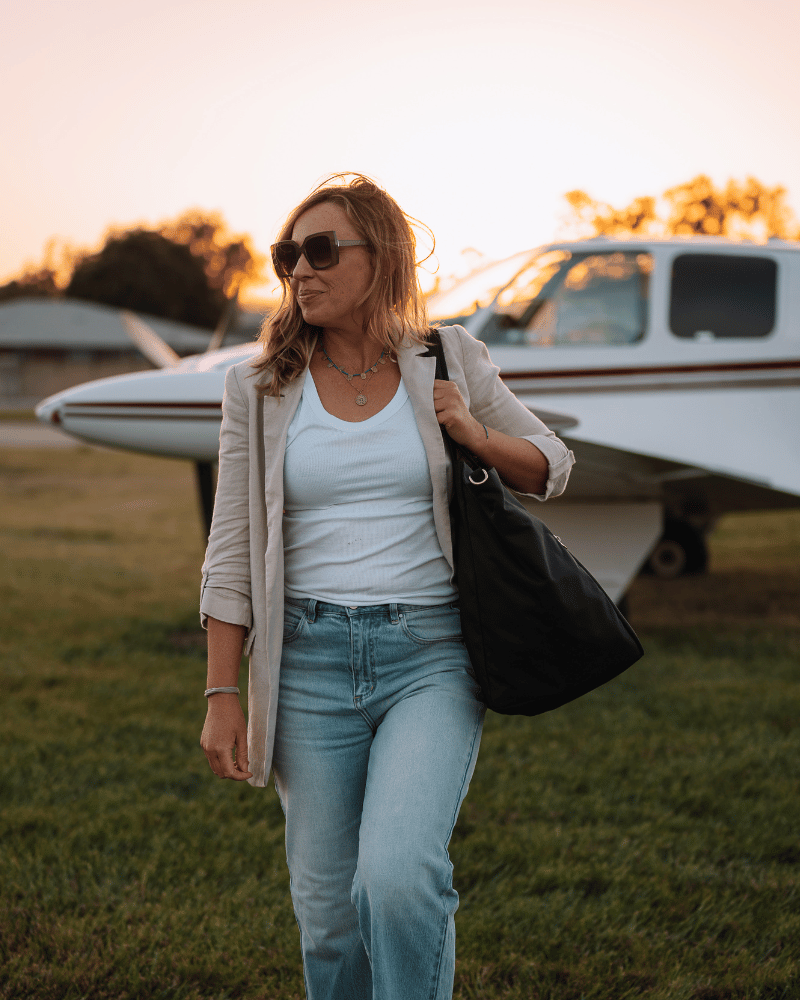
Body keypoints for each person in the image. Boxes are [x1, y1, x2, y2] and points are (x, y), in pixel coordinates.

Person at [199, 173, 575, 1000]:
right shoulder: (257, 389)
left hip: (430, 656)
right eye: (288, 253)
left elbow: (551, 466)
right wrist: (222, 689)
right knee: (329, 915)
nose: (301, 268)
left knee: (399, 878)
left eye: (323, 249)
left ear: (385, 257)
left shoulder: (449, 357)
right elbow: (230, 547)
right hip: (305, 665)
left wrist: (473, 432)